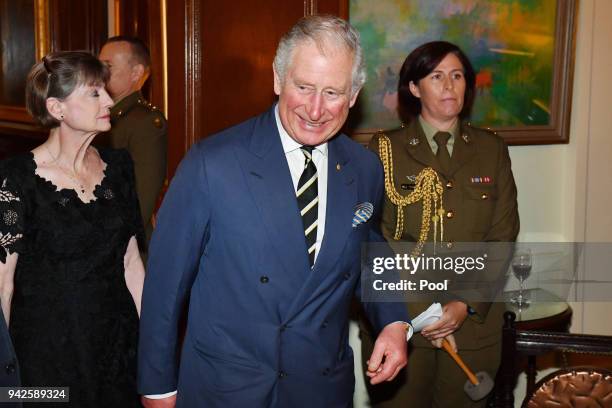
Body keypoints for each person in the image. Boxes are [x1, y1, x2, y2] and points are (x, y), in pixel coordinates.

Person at [138, 15, 410, 408]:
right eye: (304, 87)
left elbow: (369, 251)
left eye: (333, 93)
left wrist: (395, 322)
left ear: (354, 95)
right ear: (278, 80)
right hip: (230, 388)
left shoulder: (364, 168)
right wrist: (157, 386)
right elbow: (165, 285)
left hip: (320, 387)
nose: (316, 110)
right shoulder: (212, 163)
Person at [363, 41, 519, 407]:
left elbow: (502, 236)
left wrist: (463, 303)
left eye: (457, 76)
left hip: (473, 327)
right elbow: (373, 240)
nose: (450, 86)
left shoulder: (491, 149)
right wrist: (423, 312)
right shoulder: (384, 149)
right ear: (414, 89)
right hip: (403, 325)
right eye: (436, 76)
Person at [0, 51, 145, 407]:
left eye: (105, 91)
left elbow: (131, 263)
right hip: (45, 360)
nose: (109, 100)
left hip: (117, 349)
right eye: (94, 93)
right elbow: (3, 284)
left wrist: (154, 343)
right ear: (57, 108)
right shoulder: (16, 179)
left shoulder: (119, 167)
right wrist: (5, 380)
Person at [99, 36, 167, 248]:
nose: (99, 73)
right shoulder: (96, 114)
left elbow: (140, 201)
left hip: (123, 245)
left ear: (136, 73)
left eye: (107, 66)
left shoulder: (145, 123)